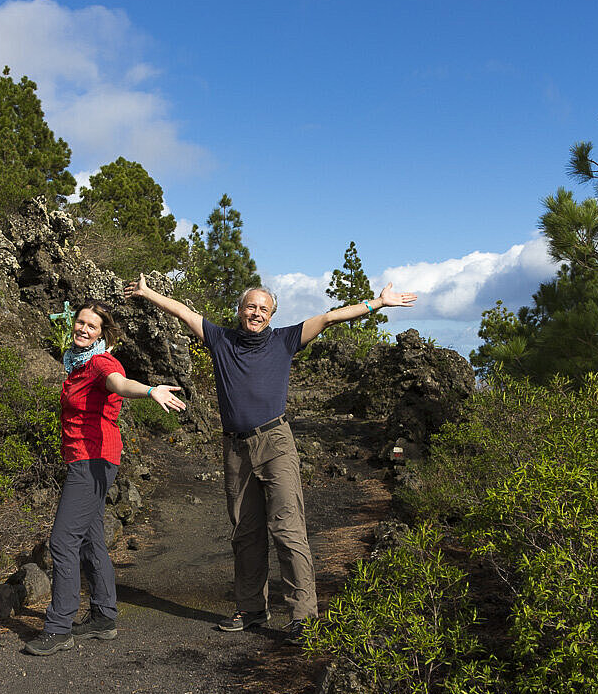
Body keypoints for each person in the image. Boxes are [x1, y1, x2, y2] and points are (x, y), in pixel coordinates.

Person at [125, 275, 416, 644]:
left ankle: (303, 617)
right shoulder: (221, 339)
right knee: (245, 532)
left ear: (272, 314)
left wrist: (377, 303)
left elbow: (328, 318)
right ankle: (251, 609)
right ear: (240, 311)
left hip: (275, 442)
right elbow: (184, 312)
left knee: (288, 530)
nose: (256, 312)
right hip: (235, 449)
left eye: (264, 308)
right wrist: (148, 293)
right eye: (251, 306)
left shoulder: (285, 340)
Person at [25, 299, 187, 656]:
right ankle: (103, 616)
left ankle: (59, 627)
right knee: (88, 540)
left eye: (91, 326)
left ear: (103, 333)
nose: (83, 329)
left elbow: (118, 383)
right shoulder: (77, 363)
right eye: (80, 323)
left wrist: (149, 390)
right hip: (89, 459)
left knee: (63, 542)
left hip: (92, 461)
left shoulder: (100, 362)